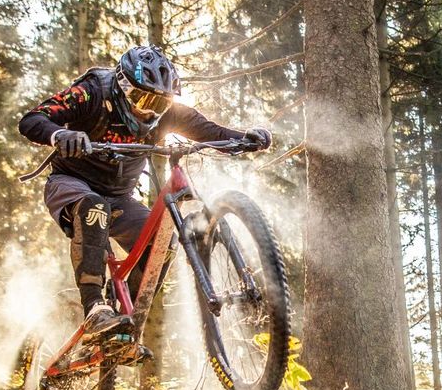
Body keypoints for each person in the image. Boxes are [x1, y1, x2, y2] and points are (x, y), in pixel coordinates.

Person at [19, 45, 271, 345]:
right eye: (141, 98)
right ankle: (94, 307)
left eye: (160, 103)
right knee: (93, 207)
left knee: (161, 243)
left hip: (119, 198)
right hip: (71, 184)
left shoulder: (164, 114)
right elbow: (33, 119)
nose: (149, 110)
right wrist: (60, 135)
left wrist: (244, 139)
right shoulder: (92, 92)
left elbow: (209, 130)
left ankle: (125, 324)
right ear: (123, 86)